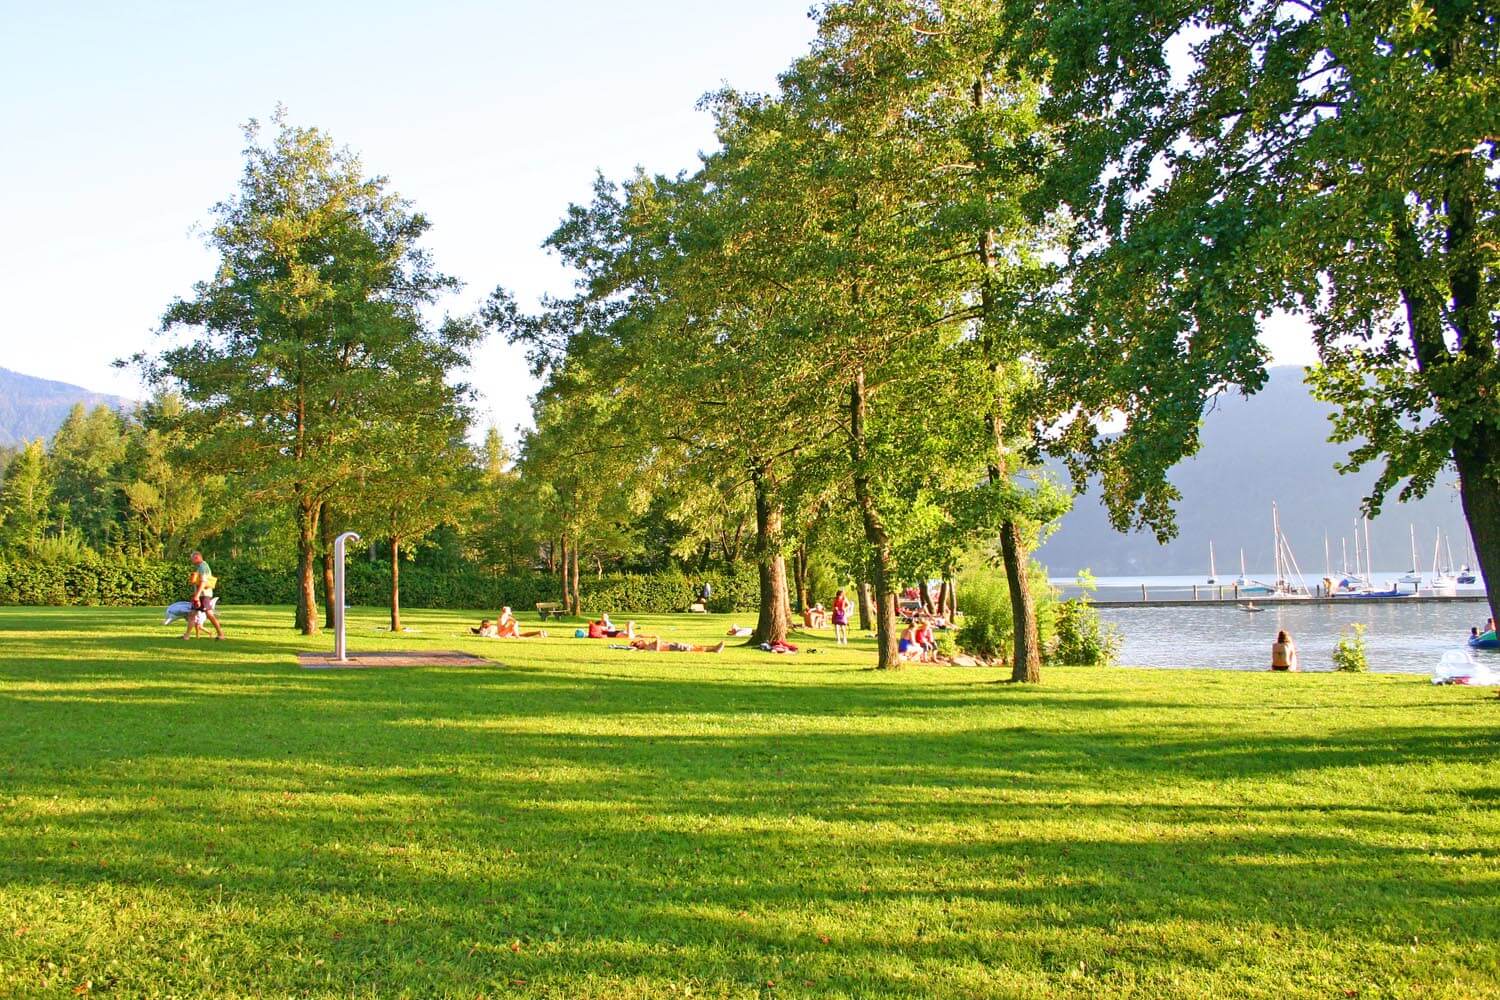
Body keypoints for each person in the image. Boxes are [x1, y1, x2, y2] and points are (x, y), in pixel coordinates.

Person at [181, 551, 224, 641]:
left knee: (209, 614)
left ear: (197, 557)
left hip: (204, 595)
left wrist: (197, 596)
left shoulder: (203, 567)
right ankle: (186, 636)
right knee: (192, 614)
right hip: (200, 594)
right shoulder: (200, 567)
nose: (191, 561)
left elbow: (203, 582)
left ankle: (221, 634)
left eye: (192, 559)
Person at [629, 637, 726, 653]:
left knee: (694, 647)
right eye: (639, 642)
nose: (642, 641)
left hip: (673, 645)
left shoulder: (648, 645)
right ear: (640, 646)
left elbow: (657, 638)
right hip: (672, 647)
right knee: (692, 648)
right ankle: (714, 649)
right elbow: (657, 647)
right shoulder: (647, 648)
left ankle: (714, 648)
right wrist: (657, 641)